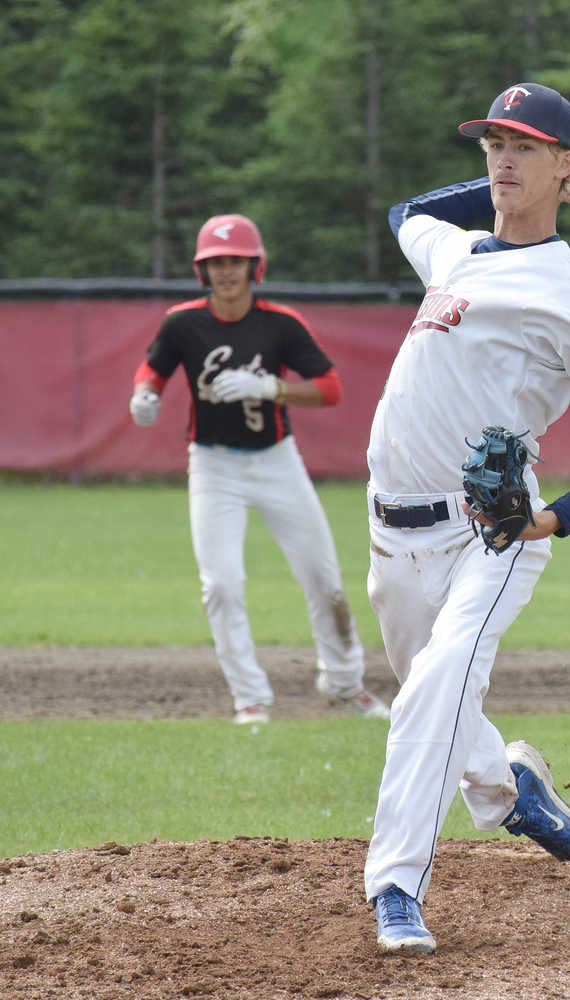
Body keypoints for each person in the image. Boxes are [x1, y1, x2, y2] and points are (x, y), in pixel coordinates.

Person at [365, 83, 570, 953]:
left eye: (525, 146)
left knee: (435, 687)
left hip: (490, 532)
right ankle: (507, 787)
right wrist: (544, 184)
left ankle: (395, 889)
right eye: (494, 142)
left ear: (565, 163)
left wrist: (554, 520)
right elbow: (403, 209)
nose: (501, 158)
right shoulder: (455, 251)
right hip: (391, 531)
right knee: (433, 696)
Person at [128, 213, 389, 724]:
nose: (226, 270)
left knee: (324, 578)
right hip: (212, 467)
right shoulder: (182, 322)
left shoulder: (280, 324)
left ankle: (344, 684)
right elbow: (152, 369)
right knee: (221, 585)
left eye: (236, 261)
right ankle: (250, 698)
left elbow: (331, 388)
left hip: (276, 462)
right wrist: (143, 394)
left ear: (255, 266)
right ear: (202, 270)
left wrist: (271, 387)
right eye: (216, 262)